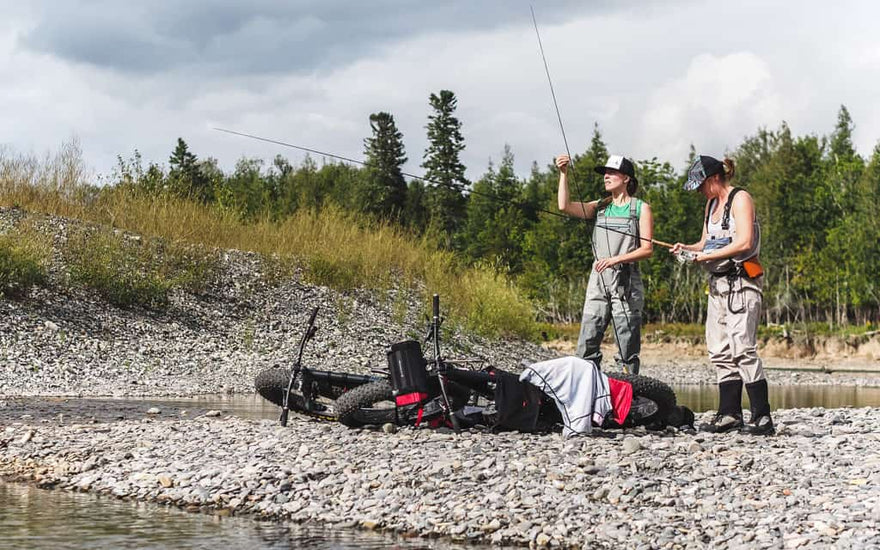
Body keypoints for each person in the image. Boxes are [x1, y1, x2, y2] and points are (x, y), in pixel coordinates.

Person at [671, 155, 774, 435]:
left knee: (743, 349)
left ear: (714, 178)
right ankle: (729, 414)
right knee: (719, 350)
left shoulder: (741, 199)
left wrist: (706, 255)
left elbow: (744, 242)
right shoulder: (710, 204)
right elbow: (704, 243)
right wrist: (688, 249)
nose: (700, 191)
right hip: (716, 286)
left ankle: (762, 417)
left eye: (701, 185)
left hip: (741, 284)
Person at [555, 154, 653, 374]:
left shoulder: (640, 208)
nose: (606, 176)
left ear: (626, 178)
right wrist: (563, 174)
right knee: (587, 343)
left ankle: (627, 398)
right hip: (598, 282)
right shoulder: (599, 207)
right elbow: (564, 206)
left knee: (627, 348)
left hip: (626, 283)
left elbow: (647, 250)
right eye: (605, 173)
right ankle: (588, 397)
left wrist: (615, 259)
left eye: (612, 173)